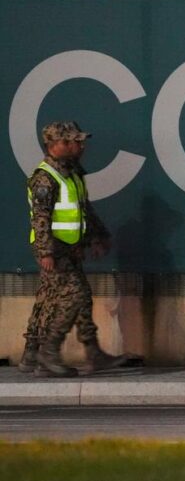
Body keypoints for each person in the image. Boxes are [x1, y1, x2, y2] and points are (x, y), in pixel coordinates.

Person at [23, 121, 127, 377]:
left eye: (79, 141)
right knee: (75, 296)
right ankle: (48, 352)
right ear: (54, 145)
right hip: (54, 250)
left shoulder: (72, 172)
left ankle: (82, 353)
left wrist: (95, 236)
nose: (79, 146)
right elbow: (41, 217)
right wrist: (46, 251)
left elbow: (82, 209)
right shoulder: (45, 178)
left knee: (61, 299)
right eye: (71, 141)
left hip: (69, 248)